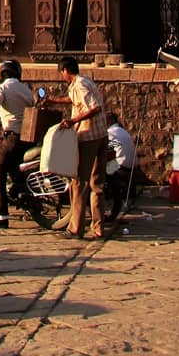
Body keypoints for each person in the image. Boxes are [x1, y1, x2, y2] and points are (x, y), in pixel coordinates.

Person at [0, 59, 35, 229]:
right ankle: (18, 190)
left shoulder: (2, 89)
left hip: (12, 137)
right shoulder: (26, 90)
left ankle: (1, 216)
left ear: (3, 73)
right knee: (13, 167)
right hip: (27, 138)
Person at [56, 55, 107, 240]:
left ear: (65, 71)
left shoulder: (80, 85)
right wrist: (54, 101)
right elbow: (75, 100)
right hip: (102, 135)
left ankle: (76, 228)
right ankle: (98, 227)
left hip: (89, 137)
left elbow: (94, 108)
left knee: (79, 182)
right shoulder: (84, 82)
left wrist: (72, 121)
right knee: (97, 183)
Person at [106, 111, 136, 218]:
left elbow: (106, 151)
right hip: (130, 166)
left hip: (120, 165)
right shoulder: (122, 131)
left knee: (101, 171)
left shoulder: (111, 133)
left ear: (109, 121)